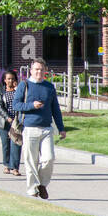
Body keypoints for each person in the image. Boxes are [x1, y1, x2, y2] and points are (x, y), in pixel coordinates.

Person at [12, 58, 66, 199]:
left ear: (45, 71)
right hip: (30, 128)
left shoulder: (49, 87)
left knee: (49, 158)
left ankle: (42, 184)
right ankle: (32, 189)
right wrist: (31, 105)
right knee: (31, 162)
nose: (39, 72)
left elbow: (56, 109)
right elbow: (16, 105)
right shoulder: (24, 85)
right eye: (36, 69)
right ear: (31, 70)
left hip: (46, 129)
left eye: (41, 70)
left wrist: (61, 128)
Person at [0, 70, 23, 176]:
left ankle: (14, 167)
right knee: (6, 144)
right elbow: (0, 107)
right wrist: (8, 118)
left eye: (12, 78)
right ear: (4, 80)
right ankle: (6, 165)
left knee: (16, 143)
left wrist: (17, 89)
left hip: (17, 122)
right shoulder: (0, 92)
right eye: (8, 79)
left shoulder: (18, 90)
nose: (10, 80)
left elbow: (22, 101)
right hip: (4, 123)